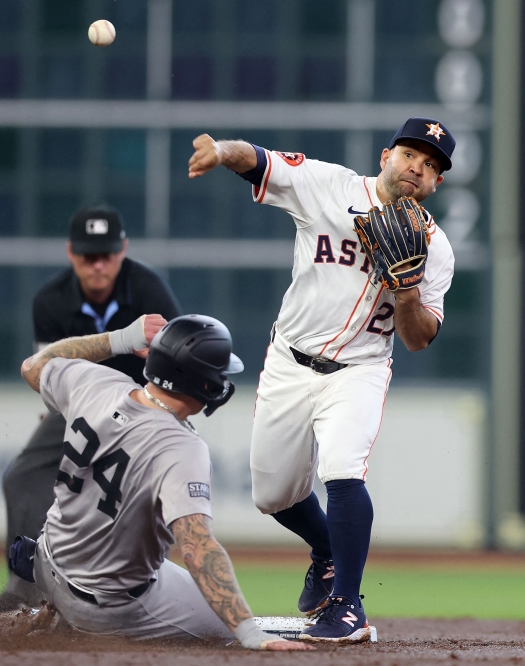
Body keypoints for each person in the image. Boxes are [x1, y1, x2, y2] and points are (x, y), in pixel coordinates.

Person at [186, 118, 456, 642]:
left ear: (435, 184)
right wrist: (221, 150)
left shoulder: (436, 249)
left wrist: (405, 294)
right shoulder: (327, 185)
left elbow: (421, 337)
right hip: (290, 360)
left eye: (430, 167)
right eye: (410, 156)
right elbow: (258, 160)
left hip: (359, 370)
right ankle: (328, 549)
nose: (417, 169)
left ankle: (346, 607)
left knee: (342, 469)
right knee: (272, 494)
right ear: (386, 156)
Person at [11, 314, 312, 651]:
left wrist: (121, 339)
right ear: (206, 385)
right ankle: (74, 624)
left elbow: (34, 365)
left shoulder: (94, 383)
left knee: (147, 564)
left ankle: (53, 607)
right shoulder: (181, 448)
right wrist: (249, 633)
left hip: (46, 560)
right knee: (228, 631)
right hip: (108, 607)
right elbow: (197, 549)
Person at [0, 206, 182, 615]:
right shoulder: (50, 300)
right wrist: (54, 405)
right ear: (71, 252)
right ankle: (24, 592)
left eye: (106, 253)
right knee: (22, 475)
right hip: (78, 407)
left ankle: (156, 590)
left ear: (123, 250)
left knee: (158, 490)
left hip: (143, 404)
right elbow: (45, 370)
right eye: (88, 255)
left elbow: (176, 362)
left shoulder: (149, 290)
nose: (98, 264)